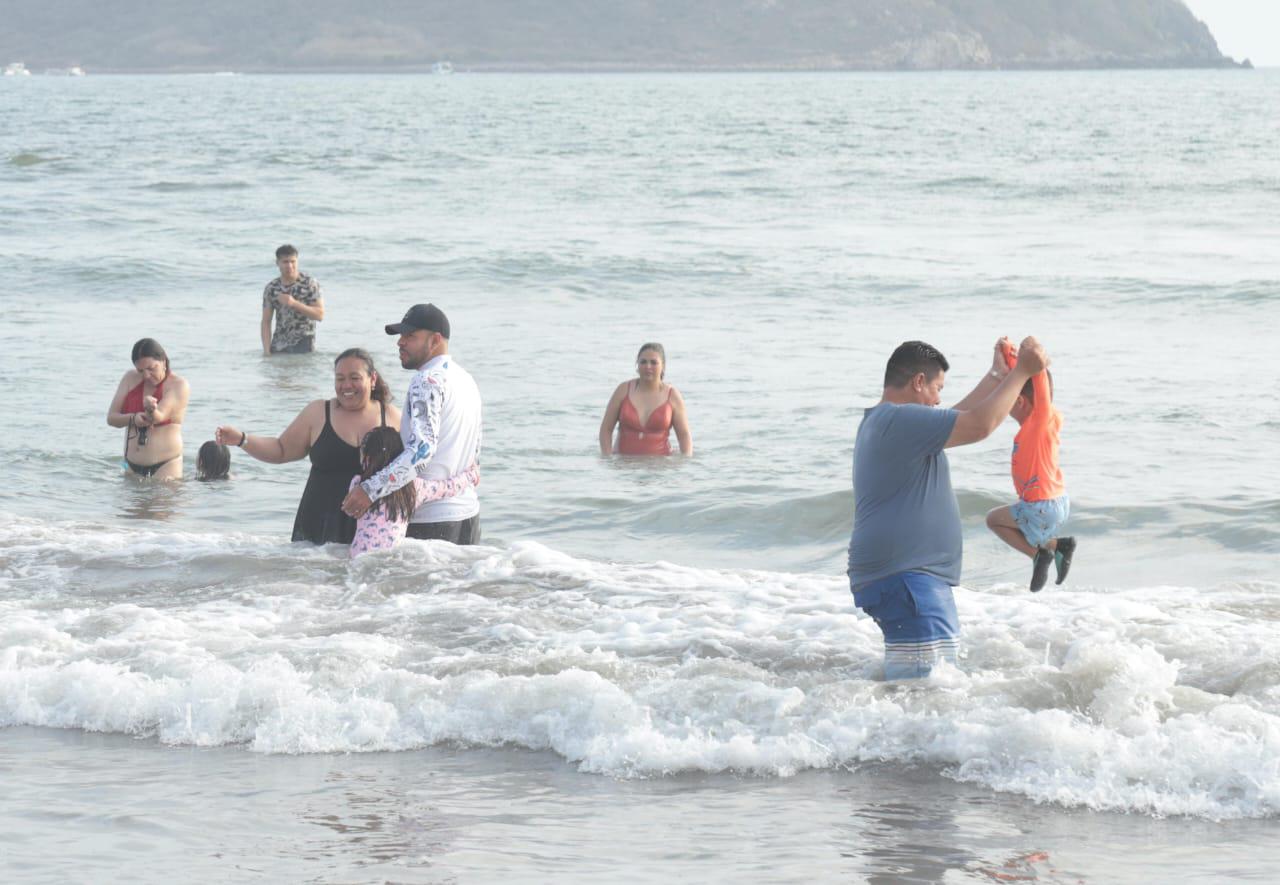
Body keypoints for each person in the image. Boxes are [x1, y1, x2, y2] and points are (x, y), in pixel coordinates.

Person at [847, 337, 1048, 680]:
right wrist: (1023, 373)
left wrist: (997, 377)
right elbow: (978, 425)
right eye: (937, 387)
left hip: (903, 577)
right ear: (918, 382)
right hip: (910, 578)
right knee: (928, 694)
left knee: (916, 690)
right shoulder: (898, 420)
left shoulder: (886, 421)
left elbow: (957, 418)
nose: (939, 398)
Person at [216, 348, 400, 544]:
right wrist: (242, 439)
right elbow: (281, 450)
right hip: (318, 525)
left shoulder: (391, 416)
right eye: (340, 378)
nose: (346, 385)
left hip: (375, 528)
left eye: (354, 377)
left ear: (372, 379)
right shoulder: (318, 412)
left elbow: (411, 469)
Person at [341, 304, 484, 544]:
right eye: (400, 336)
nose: (400, 342)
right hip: (468, 513)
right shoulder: (466, 380)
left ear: (435, 340)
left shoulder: (426, 380)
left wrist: (370, 490)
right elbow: (475, 455)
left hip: (431, 519)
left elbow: (421, 451)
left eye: (410, 336)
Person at [984, 340, 1075, 592]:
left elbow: (1037, 380)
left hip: (1041, 506)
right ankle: (1057, 546)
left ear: (1021, 402)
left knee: (994, 520)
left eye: (1010, 397)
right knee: (1018, 524)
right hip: (1055, 502)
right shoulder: (1047, 422)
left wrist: (1033, 353)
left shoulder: (1039, 423)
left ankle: (1040, 554)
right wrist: (1012, 358)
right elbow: (1028, 375)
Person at [348, 426, 481, 558]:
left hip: (358, 555)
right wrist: (471, 474)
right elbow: (447, 488)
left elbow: (350, 511)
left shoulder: (357, 485)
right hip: (391, 558)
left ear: (367, 458)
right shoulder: (413, 488)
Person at [106, 338, 190, 480]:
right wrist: (133, 418)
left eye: (151, 369)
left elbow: (159, 416)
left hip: (165, 466)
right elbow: (111, 418)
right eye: (141, 370)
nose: (146, 375)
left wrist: (151, 409)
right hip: (130, 465)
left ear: (163, 361)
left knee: (161, 502)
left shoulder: (178, 384)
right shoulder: (129, 378)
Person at [598, 342, 693, 456]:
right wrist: (607, 458)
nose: (648, 366)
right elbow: (606, 430)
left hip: (661, 466)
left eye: (653, 362)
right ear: (637, 365)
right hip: (623, 466)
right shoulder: (623, 390)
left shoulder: (672, 395)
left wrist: (686, 462)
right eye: (643, 362)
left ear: (663, 366)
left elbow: (684, 435)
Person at [261, 244, 324, 355]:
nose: (290, 266)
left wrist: (294, 303)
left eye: (293, 261)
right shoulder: (272, 288)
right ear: (277, 263)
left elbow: (319, 315)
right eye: (285, 262)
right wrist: (266, 351)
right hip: (279, 345)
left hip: (304, 343)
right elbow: (266, 321)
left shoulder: (309, 283)